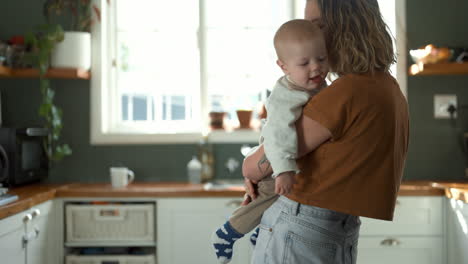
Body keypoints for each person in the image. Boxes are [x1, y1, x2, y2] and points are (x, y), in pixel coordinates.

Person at [242, 0, 410, 263]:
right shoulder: (388, 88)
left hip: (301, 226)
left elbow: (256, 167)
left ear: (346, 28)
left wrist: (250, 163)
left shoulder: (347, 92)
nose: (311, 36)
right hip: (339, 227)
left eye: (317, 26)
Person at [211, 19, 329, 264]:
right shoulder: (287, 95)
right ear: (283, 67)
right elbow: (278, 136)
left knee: (282, 199)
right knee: (266, 194)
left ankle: (258, 232)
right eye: (305, 63)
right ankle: (228, 232)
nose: (316, 67)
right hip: (277, 157)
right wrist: (284, 170)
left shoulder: (312, 85)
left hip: (280, 157)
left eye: (321, 58)